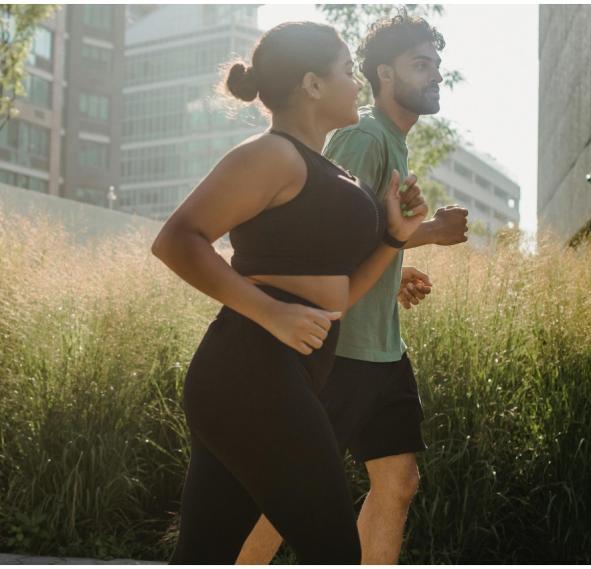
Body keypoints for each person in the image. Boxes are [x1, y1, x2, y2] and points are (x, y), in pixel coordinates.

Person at [151, 21, 429, 564]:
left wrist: (396, 236)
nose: (358, 84)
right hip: (251, 369)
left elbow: (340, 296)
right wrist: (272, 314)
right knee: (333, 551)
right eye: (349, 72)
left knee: (203, 556)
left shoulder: (327, 170)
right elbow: (176, 240)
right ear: (312, 85)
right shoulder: (272, 155)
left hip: (278, 373)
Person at [237, 13, 469, 565]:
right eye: (421, 65)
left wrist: (391, 279)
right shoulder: (365, 138)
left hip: (384, 350)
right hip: (342, 351)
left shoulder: (394, 141)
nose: (435, 75)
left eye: (436, 65)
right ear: (384, 74)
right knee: (286, 495)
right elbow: (321, 234)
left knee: (399, 482)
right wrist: (431, 233)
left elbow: (369, 237)